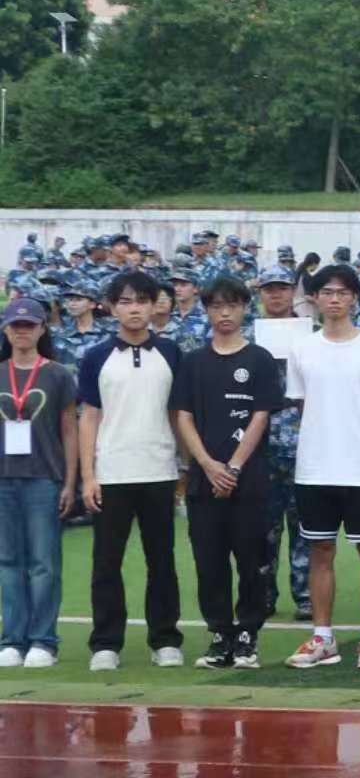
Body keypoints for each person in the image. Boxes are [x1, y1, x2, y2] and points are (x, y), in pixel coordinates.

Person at [283, 264, 360, 669]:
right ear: (314, 298)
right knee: (321, 551)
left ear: (355, 299)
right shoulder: (302, 349)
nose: (334, 299)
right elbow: (301, 404)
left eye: (342, 292)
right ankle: (323, 637)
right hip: (315, 469)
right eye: (327, 292)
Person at [77, 271, 185, 671]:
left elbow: (178, 415)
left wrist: (185, 466)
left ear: (155, 305)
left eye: (141, 300)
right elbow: (89, 417)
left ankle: (165, 639)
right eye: (125, 301)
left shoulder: (171, 353)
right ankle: (106, 643)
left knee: (162, 561)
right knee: (107, 563)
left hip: (159, 470)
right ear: (111, 307)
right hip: (112, 473)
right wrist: (89, 476)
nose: (134, 309)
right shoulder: (95, 356)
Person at [170, 277, 280, 669]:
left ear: (245, 308)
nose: (225, 313)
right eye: (216, 306)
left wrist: (232, 467)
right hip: (204, 481)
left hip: (248, 481)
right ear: (207, 311)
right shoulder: (193, 362)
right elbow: (183, 416)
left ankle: (248, 634)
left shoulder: (260, 359)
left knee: (252, 560)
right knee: (209, 562)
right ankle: (220, 634)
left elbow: (260, 416)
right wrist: (207, 464)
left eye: (232, 305)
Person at [0, 296, 76, 668]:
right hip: (3, 479)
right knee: (8, 561)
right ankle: (12, 640)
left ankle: (43, 641)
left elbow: (69, 430)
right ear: (5, 330)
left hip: (44, 478)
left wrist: (70, 481)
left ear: (42, 329)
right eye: (15, 325)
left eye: (29, 325)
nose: (22, 331)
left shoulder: (58, 374)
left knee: (44, 563)